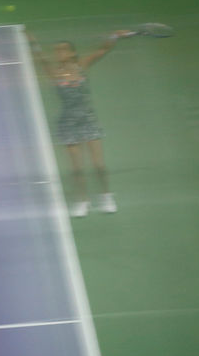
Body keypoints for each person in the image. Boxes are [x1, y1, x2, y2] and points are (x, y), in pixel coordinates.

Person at [29, 30, 130, 217]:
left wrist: (115, 36)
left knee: (99, 165)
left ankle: (106, 196)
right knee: (77, 168)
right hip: (68, 123)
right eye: (56, 50)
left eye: (63, 49)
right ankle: (82, 201)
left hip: (87, 120)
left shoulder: (82, 65)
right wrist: (33, 43)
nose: (58, 53)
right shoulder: (54, 73)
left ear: (72, 53)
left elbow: (103, 49)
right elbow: (40, 57)